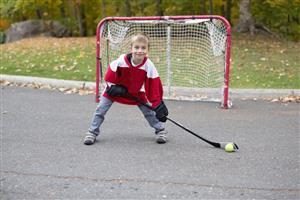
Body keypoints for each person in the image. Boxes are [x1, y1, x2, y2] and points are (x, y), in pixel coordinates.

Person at [83, 33, 169, 145]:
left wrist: (156, 103)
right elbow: (108, 77)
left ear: (148, 50)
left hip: (135, 93)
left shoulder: (148, 65)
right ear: (131, 48)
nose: (140, 50)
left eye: (143, 48)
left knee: (149, 112)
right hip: (115, 91)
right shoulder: (121, 61)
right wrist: (113, 87)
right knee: (100, 110)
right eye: (136, 47)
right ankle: (92, 132)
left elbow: (153, 84)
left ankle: (161, 130)